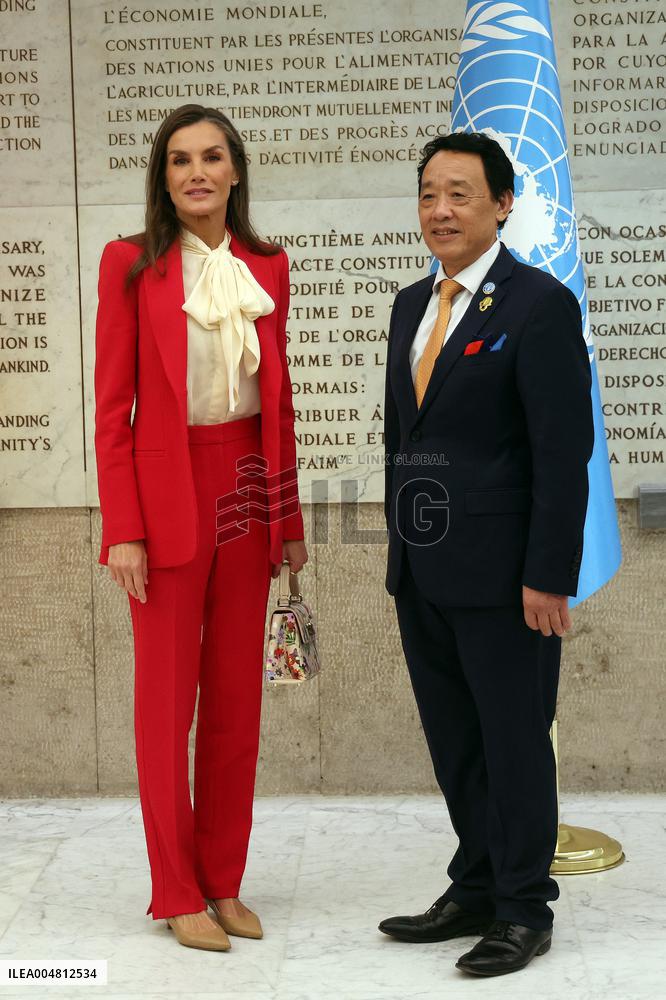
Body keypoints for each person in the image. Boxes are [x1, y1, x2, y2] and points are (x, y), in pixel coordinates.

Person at [94, 104, 307, 952]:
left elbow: (278, 405)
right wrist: (125, 528)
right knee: (164, 708)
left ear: (236, 171)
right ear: (163, 175)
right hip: (166, 492)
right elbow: (113, 412)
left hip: (247, 488)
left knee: (234, 708)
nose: (196, 173)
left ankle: (224, 881)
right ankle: (175, 889)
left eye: (211, 158)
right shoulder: (130, 265)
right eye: (179, 160)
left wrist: (287, 518)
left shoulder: (268, 265)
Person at [379, 132, 593, 977]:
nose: (441, 210)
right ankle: (473, 882)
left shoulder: (537, 304)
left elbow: (561, 450)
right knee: (456, 743)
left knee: (512, 740)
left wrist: (549, 572)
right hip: (423, 569)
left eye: (461, 193)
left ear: (504, 204)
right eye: (430, 193)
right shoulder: (409, 305)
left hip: (508, 578)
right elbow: (406, 438)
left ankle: (522, 908)